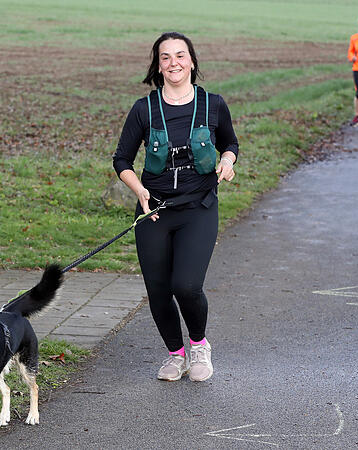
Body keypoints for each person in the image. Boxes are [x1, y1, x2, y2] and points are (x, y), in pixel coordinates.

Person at [112, 31, 239, 382]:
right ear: (158, 65)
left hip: (198, 207)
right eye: (165, 57)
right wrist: (139, 190)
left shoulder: (213, 104)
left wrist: (227, 161)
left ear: (192, 61)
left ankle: (199, 344)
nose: (173, 63)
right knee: (158, 289)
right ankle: (175, 354)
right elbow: (121, 158)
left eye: (180, 55)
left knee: (185, 285)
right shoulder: (144, 109)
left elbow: (230, 142)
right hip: (154, 210)